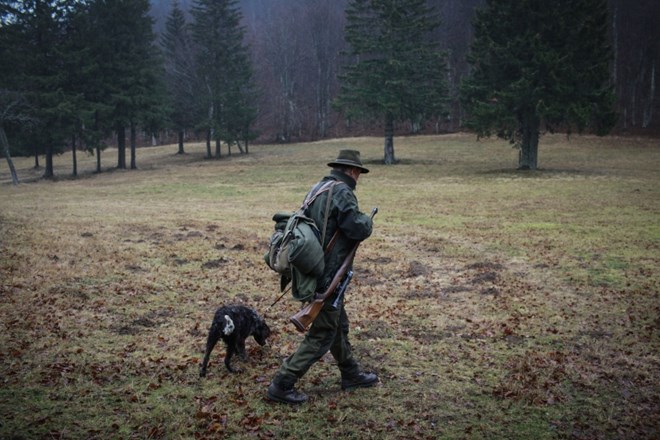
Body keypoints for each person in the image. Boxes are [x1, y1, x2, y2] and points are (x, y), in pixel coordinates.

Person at [267, 149, 379, 404]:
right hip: (328, 273)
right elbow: (356, 228)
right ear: (352, 171)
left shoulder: (319, 187)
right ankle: (282, 384)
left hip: (314, 268)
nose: (358, 177)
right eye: (358, 173)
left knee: (337, 324)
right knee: (322, 334)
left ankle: (351, 374)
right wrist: (368, 222)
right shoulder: (342, 191)